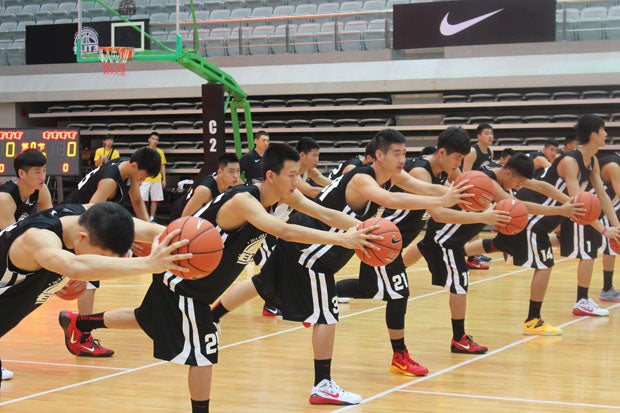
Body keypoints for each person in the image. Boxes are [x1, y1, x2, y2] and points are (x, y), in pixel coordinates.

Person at [58, 143, 378, 413]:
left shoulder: (284, 194)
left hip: (200, 283)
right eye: (293, 175)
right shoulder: (243, 201)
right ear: (271, 176)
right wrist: (341, 240)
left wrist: (358, 229)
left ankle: (81, 322)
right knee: (204, 350)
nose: (298, 182)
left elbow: (323, 211)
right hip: (183, 281)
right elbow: (284, 231)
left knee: (146, 317)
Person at [210, 129, 470, 405]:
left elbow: (423, 187)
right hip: (312, 246)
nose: (403, 159)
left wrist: (454, 193)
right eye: (397, 153)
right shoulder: (362, 178)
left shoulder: (393, 175)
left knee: (262, 282)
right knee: (327, 314)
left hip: (313, 238)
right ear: (379, 155)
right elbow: (391, 200)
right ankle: (322, 384)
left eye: (405, 153)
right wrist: (441, 201)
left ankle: (213, 316)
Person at [335, 127, 511, 377]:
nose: (459, 165)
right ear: (442, 152)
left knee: (368, 289)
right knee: (399, 294)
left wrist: (472, 197)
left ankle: (319, 293)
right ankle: (400, 356)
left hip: (393, 241)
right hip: (384, 239)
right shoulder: (420, 171)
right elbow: (438, 212)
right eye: (457, 159)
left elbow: (447, 194)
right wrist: (481, 215)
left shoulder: (442, 172)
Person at [0, 202, 191, 388]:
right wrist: (150, 264)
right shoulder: (37, 238)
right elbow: (74, 267)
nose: (103, 264)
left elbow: (150, 231)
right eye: (102, 257)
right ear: (82, 237)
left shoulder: (89, 216)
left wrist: (191, 240)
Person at [404, 153, 580, 348]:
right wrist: (560, 211)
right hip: (447, 237)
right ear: (507, 173)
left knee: (425, 249)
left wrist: (571, 201)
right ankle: (459, 339)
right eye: (518, 182)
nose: (519, 187)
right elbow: (520, 207)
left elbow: (541, 186)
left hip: (449, 236)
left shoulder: (506, 173)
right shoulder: (489, 182)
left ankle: (389, 271)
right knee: (460, 283)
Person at [465, 115, 618, 334]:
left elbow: (601, 196)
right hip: (534, 216)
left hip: (548, 215)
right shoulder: (570, 162)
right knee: (545, 264)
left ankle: (452, 252)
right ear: (594, 134)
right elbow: (578, 205)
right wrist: (603, 230)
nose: (607, 135)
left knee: (501, 244)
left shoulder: (592, 161)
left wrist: (614, 227)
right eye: (604, 131)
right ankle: (533, 320)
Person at [60, 147, 161, 356]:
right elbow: (91, 213)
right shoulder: (110, 182)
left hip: (83, 226)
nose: (141, 181)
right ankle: (80, 334)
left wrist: (148, 228)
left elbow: (137, 201)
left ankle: (80, 331)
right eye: (142, 177)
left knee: (90, 278)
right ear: (134, 166)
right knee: (88, 278)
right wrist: (123, 238)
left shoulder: (127, 168)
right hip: (73, 225)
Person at [0, 149, 54, 381]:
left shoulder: (40, 191)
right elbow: (12, 242)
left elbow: (54, 222)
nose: (42, 176)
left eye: (44, 170)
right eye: (36, 172)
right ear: (21, 174)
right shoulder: (4, 199)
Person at [461, 123, 494, 270]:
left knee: (478, 225)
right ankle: (471, 258)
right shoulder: (472, 151)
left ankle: (475, 253)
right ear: (479, 136)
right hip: (471, 192)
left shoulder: (490, 152)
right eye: (487, 133)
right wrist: (467, 195)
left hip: (482, 193)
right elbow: (464, 174)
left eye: (492, 133)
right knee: (473, 225)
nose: (490, 136)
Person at [169, 154, 240, 220]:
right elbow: (184, 219)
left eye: (238, 171)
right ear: (220, 172)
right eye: (231, 171)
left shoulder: (235, 180)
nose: (236, 175)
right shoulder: (205, 191)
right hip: (181, 215)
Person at [594, 153, 620, 302]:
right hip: (598, 208)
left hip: (611, 205)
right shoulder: (614, 166)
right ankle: (607, 289)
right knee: (612, 245)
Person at [140, 132, 167, 222]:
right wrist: (139, 178)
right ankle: (143, 217)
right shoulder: (144, 151)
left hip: (157, 178)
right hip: (145, 178)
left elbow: (162, 166)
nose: (155, 141)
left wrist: (164, 179)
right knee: (143, 199)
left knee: (155, 200)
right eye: (153, 139)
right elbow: (140, 165)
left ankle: (151, 218)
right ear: (149, 139)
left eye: (157, 139)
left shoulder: (160, 152)